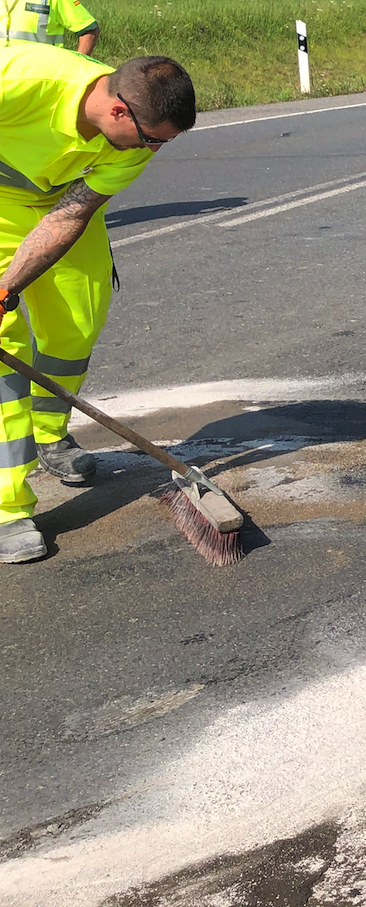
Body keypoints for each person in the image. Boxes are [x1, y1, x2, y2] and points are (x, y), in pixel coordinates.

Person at [0, 44, 195, 563]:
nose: (154, 152)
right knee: (2, 342)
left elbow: (67, 216)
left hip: (56, 209)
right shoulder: (20, 78)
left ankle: (49, 434)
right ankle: (7, 508)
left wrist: (7, 285)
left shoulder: (132, 145)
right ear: (117, 111)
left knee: (76, 325)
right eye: (154, 140)